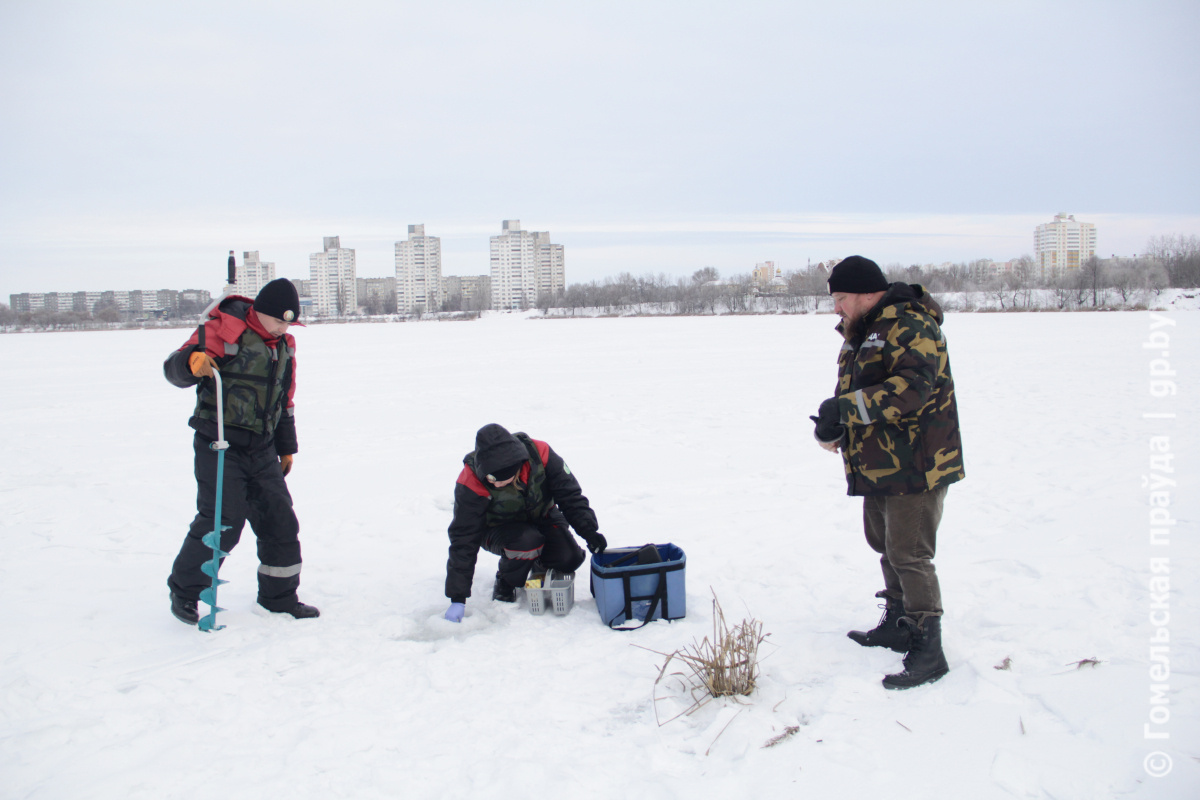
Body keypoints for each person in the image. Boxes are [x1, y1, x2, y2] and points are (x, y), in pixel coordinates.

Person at [810, 256, 964, 689]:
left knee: (910, 554)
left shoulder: (910, 325)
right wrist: (837, 421)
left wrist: (847, 408)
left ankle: (928, 650)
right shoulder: (866, 330)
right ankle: (898, 623)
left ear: (864, 293)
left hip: (918, 462)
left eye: (840, 298)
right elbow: (859, 390)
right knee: (885, 544)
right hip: (881, 461)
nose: (836, 308)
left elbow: (912, 390)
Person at [164, 278, 319, 625]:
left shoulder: (285, 347)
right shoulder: (223, 330)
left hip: (262, 447)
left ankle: (278, 597)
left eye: (288, 323)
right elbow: (172, 369)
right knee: (222, 522)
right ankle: (185, 592)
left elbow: (284, 401)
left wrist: (286, 449)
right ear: (259, 313)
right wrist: (191, 362)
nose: (283, 328)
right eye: (278, 321)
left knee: (280, 520)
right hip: (219, 444)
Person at [443, 424, 607, 622]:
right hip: (497, 529)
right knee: (527, 542)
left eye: (496, 478)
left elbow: (569, 495)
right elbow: (463, 537)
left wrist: (589, 532)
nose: (492, 482)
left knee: (569, 558)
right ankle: (507, 578)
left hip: (541, 516)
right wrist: (457, 597)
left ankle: (536, 559)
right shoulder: (472, 479)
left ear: (514, 469)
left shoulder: (541, 453)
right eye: (489, 477)